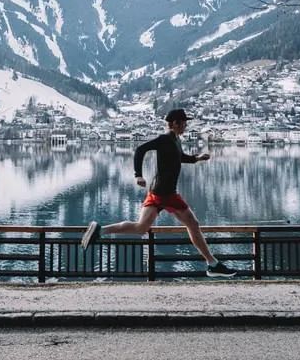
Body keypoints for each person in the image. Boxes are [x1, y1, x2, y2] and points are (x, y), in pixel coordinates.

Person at [81, 108, 236, 278]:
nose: (186, 125)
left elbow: (180, 157)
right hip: (166, 193)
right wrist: (138, 175)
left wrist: (197, 158)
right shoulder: (164, 139)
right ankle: (213, 264)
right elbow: (140, 150)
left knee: (141, 228)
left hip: (157, 192)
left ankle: (100, 230)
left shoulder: (176, 139)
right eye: (184, 122)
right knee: (193, 223)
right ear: (175, 123)